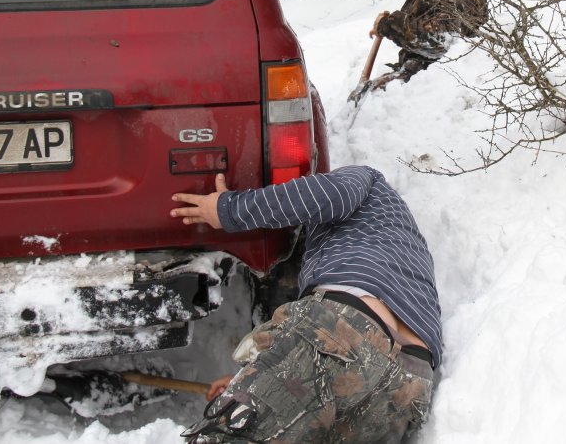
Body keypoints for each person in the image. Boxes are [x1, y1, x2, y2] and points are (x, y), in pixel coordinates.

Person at [169, 166, 441, 444]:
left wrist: (228, 209)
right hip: (408, 386)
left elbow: (328, 194)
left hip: (350, 328)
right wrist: (254, 374)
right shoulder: (401, 245)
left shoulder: (367, 180)